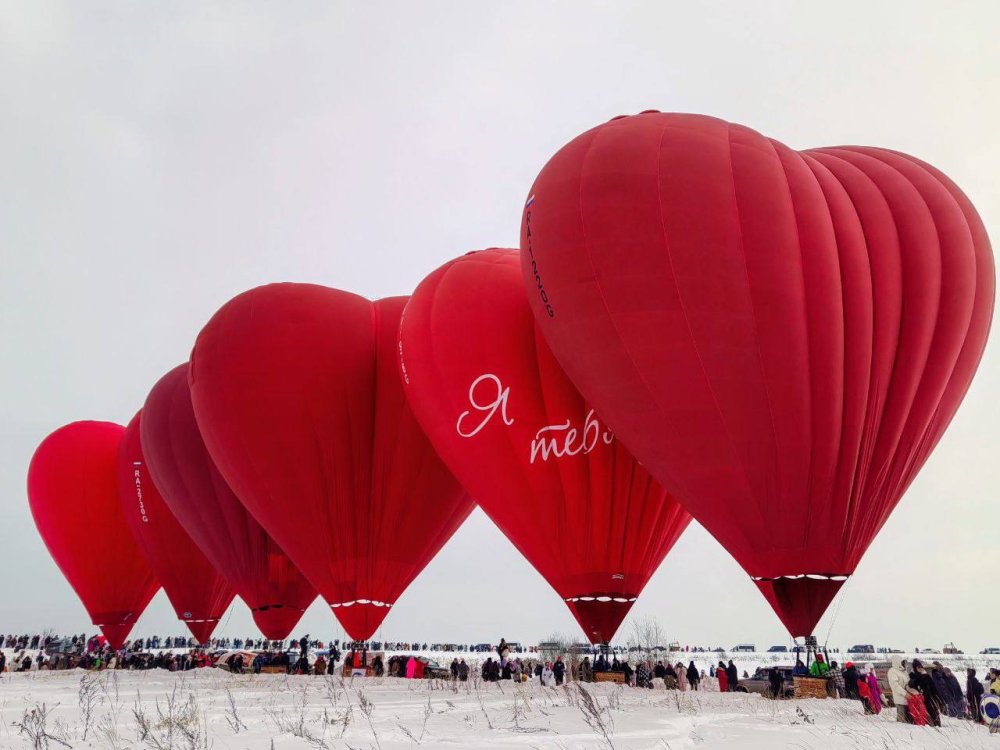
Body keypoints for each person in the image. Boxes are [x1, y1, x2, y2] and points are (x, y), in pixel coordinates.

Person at [909, 659, 942, 727]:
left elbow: (933, 687)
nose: (920, 668)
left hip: (930, 698)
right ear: (915, 668)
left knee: (934, 713)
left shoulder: (926, 676)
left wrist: (937, 697)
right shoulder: (913, 677)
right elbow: (913, 687)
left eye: (921, 667)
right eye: (918, 667)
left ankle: (937, 726)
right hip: (921, 700)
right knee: (925, 715)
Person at [887, 657, 910, 723]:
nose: (904, 664)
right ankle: (900, 732)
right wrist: (905, 693)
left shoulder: (904, 671)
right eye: (902, 662)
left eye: (904, 663)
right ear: (898, 663)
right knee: (901, 719)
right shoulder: (892, 671)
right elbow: (895, 686)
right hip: (900, 699)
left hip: (907, 697)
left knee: (908, 719)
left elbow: (907, 682)